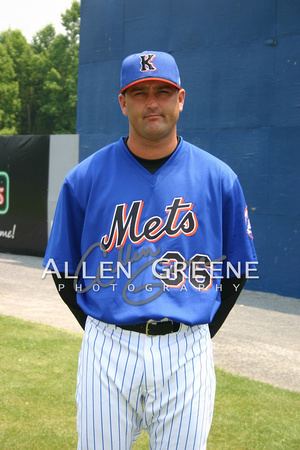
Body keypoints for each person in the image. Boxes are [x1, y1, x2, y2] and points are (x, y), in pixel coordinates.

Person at [43, 50, 257, 450]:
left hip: (187, 345)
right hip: (107, 345)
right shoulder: (85, 178)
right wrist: (100, 325)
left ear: (181, 98)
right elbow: (63, 269)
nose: (152, 102)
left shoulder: (218, 178)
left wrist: (200, 332)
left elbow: (238, 269)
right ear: (123, 102)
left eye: (163, 90)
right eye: (139, 93)